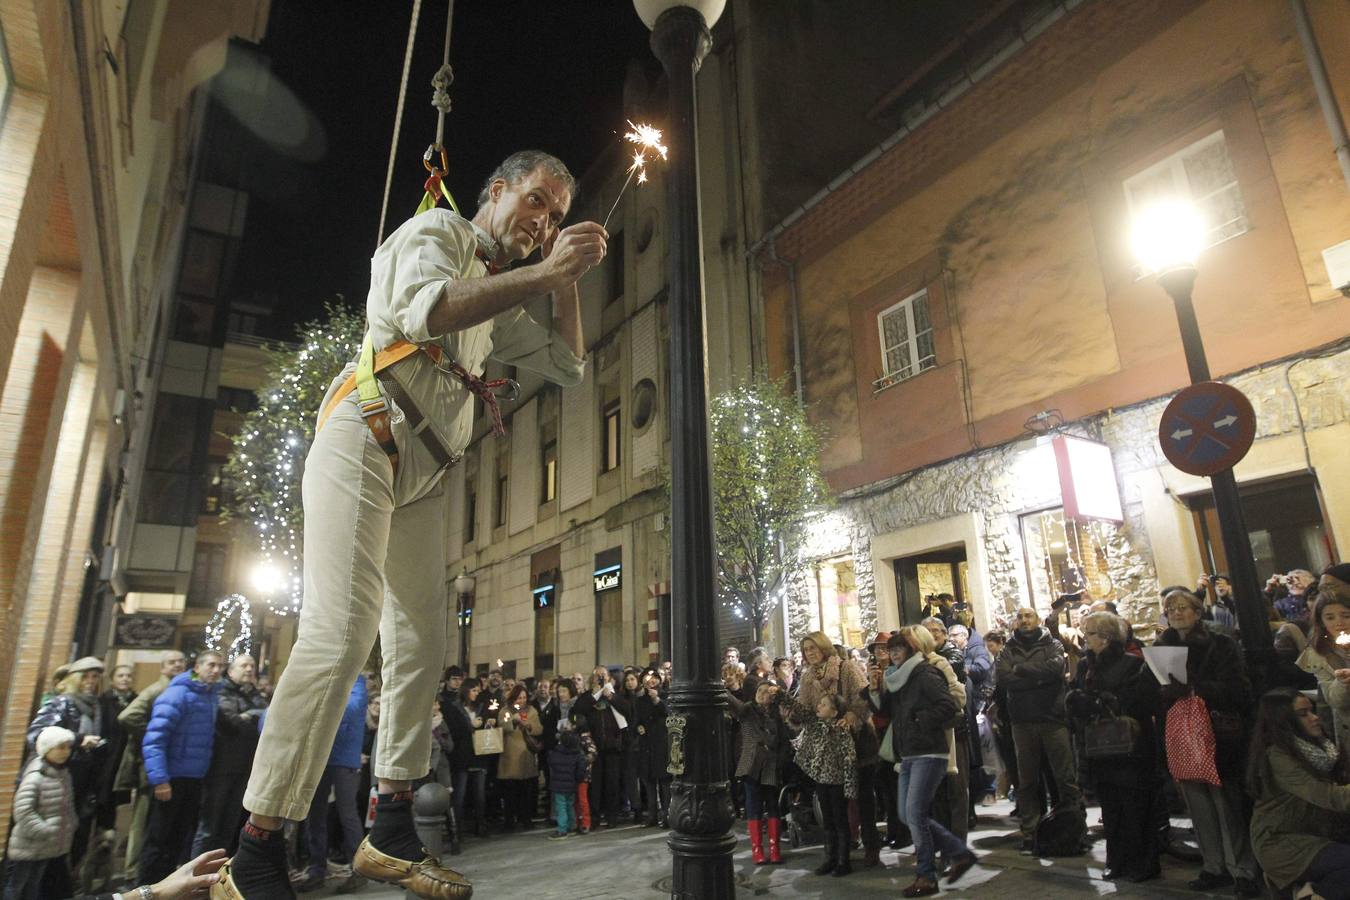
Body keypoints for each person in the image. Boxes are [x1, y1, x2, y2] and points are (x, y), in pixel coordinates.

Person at [221, 150, 604, 899]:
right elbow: (428, 309)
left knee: (425, 640)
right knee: (342, 630)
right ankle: (257, 850)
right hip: (363, 434)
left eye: (556, 216)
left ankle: (389, 823)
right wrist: (544, 274)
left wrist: (568, 284)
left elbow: (570, 366)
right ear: (495, 193)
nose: (543, 222)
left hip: (424, 476)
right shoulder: (436, 231)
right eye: (536, 201)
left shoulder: (504, 294)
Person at [1155, 587, 1259, 896]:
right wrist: (1165, 692)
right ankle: (1213, 865)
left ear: (1197, 612)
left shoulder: (1220, 644)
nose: (1176, 613)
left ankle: (1241, 868)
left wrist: (1194, 688)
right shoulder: (1163, 647)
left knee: (1224, 803)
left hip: (1216, 732)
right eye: (1171, 608)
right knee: (1197, 803)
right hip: (1182, 732)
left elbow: (1238, 689)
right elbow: (1154, 692)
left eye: (1183, 607)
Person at [867, 628, 978, 898]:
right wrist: (873, 689)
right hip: (908, 753)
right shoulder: (896, 679)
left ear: (911, 650)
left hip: (929, 752)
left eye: (897, 649)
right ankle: (958, 852)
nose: (892, 655)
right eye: (888, 650)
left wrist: (919, 722)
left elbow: (949, 707)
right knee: (907, 814)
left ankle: (926, 876)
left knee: (915, 813)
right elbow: (885, 711)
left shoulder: (925, 673)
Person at [1066, 612, 1159, 882]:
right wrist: (1078, 701)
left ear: (1105, 638)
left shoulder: (1133, 663)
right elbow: (1075, 691)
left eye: (1090, 634)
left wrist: (1101, 703)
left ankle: (1143, 861)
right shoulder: (1086, 665)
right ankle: (1117, 859)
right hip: (1099, 746)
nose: (1086, 638)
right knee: (1111, 806)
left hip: (1130, 746)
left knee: (1135, 805)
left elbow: (1140, 700)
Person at [1247, 688, 1350, 899]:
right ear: (1283, 721)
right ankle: (1306, 893)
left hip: (1316, 831)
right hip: (1283, 842)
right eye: (1303, 714)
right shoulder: (1279, 758)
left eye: (1311, 711)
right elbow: (1329, 796)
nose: (1315, 718)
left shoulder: (1321, 749)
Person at [996, 606, 1083, 854]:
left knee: (1065, 778)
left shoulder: (1052, 644)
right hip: (1022, 721)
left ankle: (1073, 831)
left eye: (1028, 616)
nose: (1024, 621)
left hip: (1052, 718)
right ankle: (1031, 832)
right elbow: (1003, 678)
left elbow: (1055, 670)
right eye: (1020, 617)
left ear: (1036, 620)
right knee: (1027, 781)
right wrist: (1038, 677)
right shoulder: (1007, 649)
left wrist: (1021, 670)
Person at [140, 651, 224, 884]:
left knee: (178, 838)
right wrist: (160, 779)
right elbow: (155, 739)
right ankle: (147, 888)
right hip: (172, 778)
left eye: (220, 666)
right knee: (158, 839)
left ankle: (169, 888)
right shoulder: (177, 694)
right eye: (211, 665)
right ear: (197, 667)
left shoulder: (210, 696)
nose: (216, 670)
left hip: (194, 778)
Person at [26, 656, 107, 870]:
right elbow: (38, 735)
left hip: (81, 780)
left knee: (72, 837)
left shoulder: (96, 706)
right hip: (56, 780)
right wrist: (79, 740)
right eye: (85, 677)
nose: (90, 681)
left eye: (95, 677)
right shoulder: (62, 702)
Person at [115, 650, 186, 882]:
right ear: (163, 667)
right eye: (171, 662)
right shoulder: (157, 690)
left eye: (180, 662)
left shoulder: (177, 688)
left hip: (165, 765)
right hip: (151, 766)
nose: (177, 665)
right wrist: (154, 734)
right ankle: (133, 871)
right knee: (142, 820)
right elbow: (128, 716)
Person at [296, 675, 368, 894]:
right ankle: (317, 868)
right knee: (315, 814)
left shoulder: (356, 681)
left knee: (348, 815)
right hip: (319, 757)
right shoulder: (325, 676)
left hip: (345, 758)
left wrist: (321, 701)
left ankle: (359, 871)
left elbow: (352, 710)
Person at [195, 655, 268, 857]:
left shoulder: (255, 695)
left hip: (246, 766)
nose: (249, 669)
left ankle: (218, 871)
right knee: (210, 824)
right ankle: (196, 873)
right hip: (222, 765)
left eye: (252, 665)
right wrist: (255, 716)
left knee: (231, 822)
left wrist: (251, 715)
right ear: (231, 671)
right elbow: (231, 721)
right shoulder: (221, 691)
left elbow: (267, 720)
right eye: (244, 665)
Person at [5, 726, 78, 900]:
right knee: (17, 885)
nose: (66, 752)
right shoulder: (36, 776)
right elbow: (23, 810)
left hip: (48, 845)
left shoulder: (62, 774)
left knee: (34, 885)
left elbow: (67, 805)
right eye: (61, 747)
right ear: (47, 749)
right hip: (30, 844)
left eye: (68, 747)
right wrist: (43, 829)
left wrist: (70, 823)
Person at [725, 680, 791, 865]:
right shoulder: (747, 711)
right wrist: (723, 688)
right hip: (751, 765)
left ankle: (775, 849)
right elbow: (732, 704)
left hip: (771, 765)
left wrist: (780, 760)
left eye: (766, 691)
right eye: (759, 690)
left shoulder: (778, 715)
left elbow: (785, 741)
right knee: (753, 807)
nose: (762, 693)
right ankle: (757, 850)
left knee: (772, 807)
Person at [1298, 565, 1350, 754]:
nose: (1338, 622)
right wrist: (1343, 682)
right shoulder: (1320, 651)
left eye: (1330, 587)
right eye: (1329, 617)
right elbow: (1335, 700)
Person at [573, 666, 624, 830]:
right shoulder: (588, 697)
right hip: (594, 749)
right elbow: (577, 712)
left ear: (609, 678)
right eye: (597, 676)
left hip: (612, 746)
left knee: (612, 784)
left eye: (603, 676)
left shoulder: (615, 695)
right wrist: (594, 695)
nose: (600, 678)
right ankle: (594, 817)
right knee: (595, 786)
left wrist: (612, 698)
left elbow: (628, 710)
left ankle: (612, 817)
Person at [443, 680, 487, 839]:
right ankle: (457, 829)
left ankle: (480, 825)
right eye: (473, 690)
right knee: (459, 794)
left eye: (478, 690)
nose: (476, 693)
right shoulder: (455, 707)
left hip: (479, 755)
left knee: (479, 794)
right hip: (462, 755)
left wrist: (487, 723)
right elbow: (455, 729)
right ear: (466, 691)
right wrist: (470, 725)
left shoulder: (481, 707)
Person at [497, 684, 543, 830]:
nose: (521, 700)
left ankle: (526, 819)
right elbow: (502, 726)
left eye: (524, 697)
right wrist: (513, 721)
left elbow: (539, 728)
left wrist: (529, 726)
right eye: (519, 698)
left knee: (526, 791)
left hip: (526, 755)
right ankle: (510, 821)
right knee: (510, 792)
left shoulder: (532, 710)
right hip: (510, 755)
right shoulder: (505, 710)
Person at [633, 669, 669, 828]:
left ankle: (667, 815)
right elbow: (635, 720)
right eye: (648, 678)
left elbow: (669, 713)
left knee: (664, 783)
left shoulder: (666, 695)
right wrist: (638, 727)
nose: (651, 681)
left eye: (654, 678)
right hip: (646, 744)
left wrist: (657, 701)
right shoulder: (640, 700)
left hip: (661, 744)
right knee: (649, 783)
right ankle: (652, 815)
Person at [546, 731, 587, 840]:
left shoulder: (556, 752)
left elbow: (550, 762)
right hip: (572, 784)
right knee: (570, 805)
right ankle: (572, 826)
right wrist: (578, 779)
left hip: (558, 784)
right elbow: (581, 769)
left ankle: (562, 829)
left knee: (561, 807)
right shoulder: (578, 753)